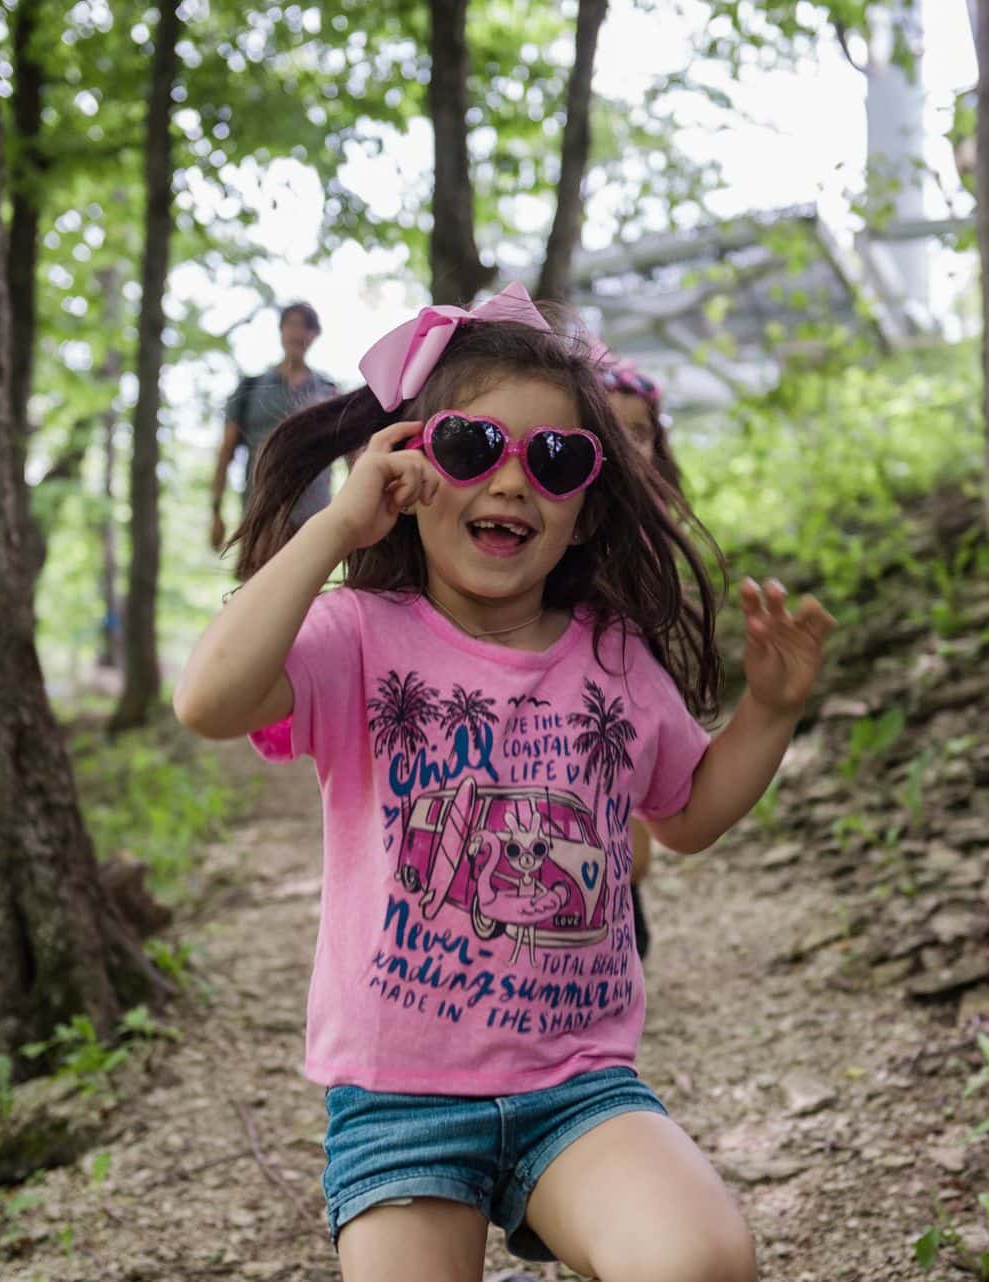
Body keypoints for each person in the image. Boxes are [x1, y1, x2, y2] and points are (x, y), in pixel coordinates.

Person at [174, 281, 833, 1282]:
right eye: (473, 449)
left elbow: (690, 813)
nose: (514, 483)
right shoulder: (359, 638)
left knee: (701, 1261)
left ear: (586, 501)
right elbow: (210, 699)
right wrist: (334, 532)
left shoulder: (612, 656)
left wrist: (770, 712)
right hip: (397, 1102)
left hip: (577, 1089)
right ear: (408, 469)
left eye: (556, 459)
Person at [596, 348, 682, 961]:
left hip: (626, 686)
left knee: (624, 809)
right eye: (612, 431)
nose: (628, 446)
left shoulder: (653, 529)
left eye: (641, 433)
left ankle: (627, 906)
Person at [209, 301, 340, 549]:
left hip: (314, 519)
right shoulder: (251, 388)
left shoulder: (328, 391)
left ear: (315, 335)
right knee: (259, 585)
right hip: (262, 515)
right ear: (281, 330)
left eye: (306, 327)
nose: (298, 333)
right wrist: (216, 511)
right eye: (291, 325)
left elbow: (352, 455)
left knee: (309, 587)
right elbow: (226, 451)